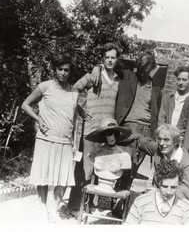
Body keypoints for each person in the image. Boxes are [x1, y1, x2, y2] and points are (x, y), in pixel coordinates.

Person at [21, 53, 79, 222]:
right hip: (46, 139)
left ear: (70, 71)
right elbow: (25, 104)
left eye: (66, 70)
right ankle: (47, 209)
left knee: (63, 178)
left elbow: (74, 118)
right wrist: (38, 119)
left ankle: (52, 207)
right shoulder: (45, 87)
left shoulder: (74, 92)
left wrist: (74, 142)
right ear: (55, 70)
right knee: (46, 176)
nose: (63, 73)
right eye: (60, 69)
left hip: (65, 141)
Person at [68, 43, 122, 212]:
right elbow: (73, 89)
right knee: (85, 169)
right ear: (102, 59)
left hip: (108, 131)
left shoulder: (119, 80)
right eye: (107, 57)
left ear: (117, 59)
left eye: (113, 57)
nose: (110, 60)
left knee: (103, 169)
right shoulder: (94, 75)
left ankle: (93, 205)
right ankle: (75, 206)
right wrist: (81, 110)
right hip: (91, 130)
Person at [114, 50, 164, 189]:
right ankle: (115, 197)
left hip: (146, 130)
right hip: (128, 127)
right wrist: (137, 61)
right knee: (122, 165)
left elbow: (156, 112)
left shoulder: (156, 89)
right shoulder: (129, 77)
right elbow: (116, 64)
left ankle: (121, 203)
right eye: (141, 68)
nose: (143, 72)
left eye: (147, 68)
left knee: (133, 169)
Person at [125, 159, 189, 224]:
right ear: (158, 183)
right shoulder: (141, 202)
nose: (169, 192)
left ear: (178, 184)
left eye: (173, 187)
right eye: (165, 186)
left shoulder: (187, 208)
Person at [138, 124, 189, 202]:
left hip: (176, 204)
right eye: (159, 139)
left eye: (166, 140)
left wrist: (159, 193)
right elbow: (142, 142)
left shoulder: (186, 163)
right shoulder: (159, 150)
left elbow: (187, 192)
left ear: (176, 142)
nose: (161, 143)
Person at [85, 118, 132, 193]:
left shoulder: (124, 156)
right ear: (103, 136)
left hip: (112, 189)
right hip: (98, 186)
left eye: (113, 133)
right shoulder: (96, 153)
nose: (111, 137)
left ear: (116, 134)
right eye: (108, 134)